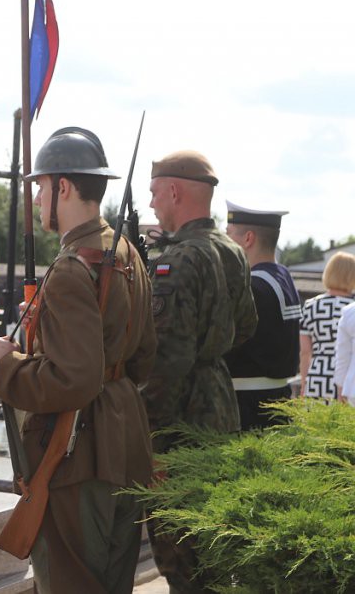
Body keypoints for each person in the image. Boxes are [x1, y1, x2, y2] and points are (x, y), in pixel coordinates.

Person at [0, 127, 155, 594]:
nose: (38, 198)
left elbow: (74, 378)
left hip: (79, 451)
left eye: (41, 186)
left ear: (63, 186)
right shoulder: (127, 252)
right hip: (126, 443)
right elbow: (142, 359)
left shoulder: (70, 269)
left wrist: (6, 365)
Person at [144, 150, 257, 594]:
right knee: (213, 549)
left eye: (155, 193)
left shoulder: (179, 260)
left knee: (181, 555)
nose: (152, 203)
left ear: (174, 191)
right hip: (220, 404)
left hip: (181, 420)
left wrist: (152, 440)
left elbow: (168, 359)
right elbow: (246, 326)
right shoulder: (232, 250)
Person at [224, 201, 301, 429]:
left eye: (228, 234)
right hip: (278, 398)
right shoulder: (283, 275)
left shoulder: (252, 285)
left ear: (248, 239)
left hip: (248, 406)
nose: (224, 241)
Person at [299, 251, 355, 399]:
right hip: (348, 380)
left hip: (317, 376)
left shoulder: (310, 305)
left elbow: (305, 352)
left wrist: (304, 383)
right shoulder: (352, 308)